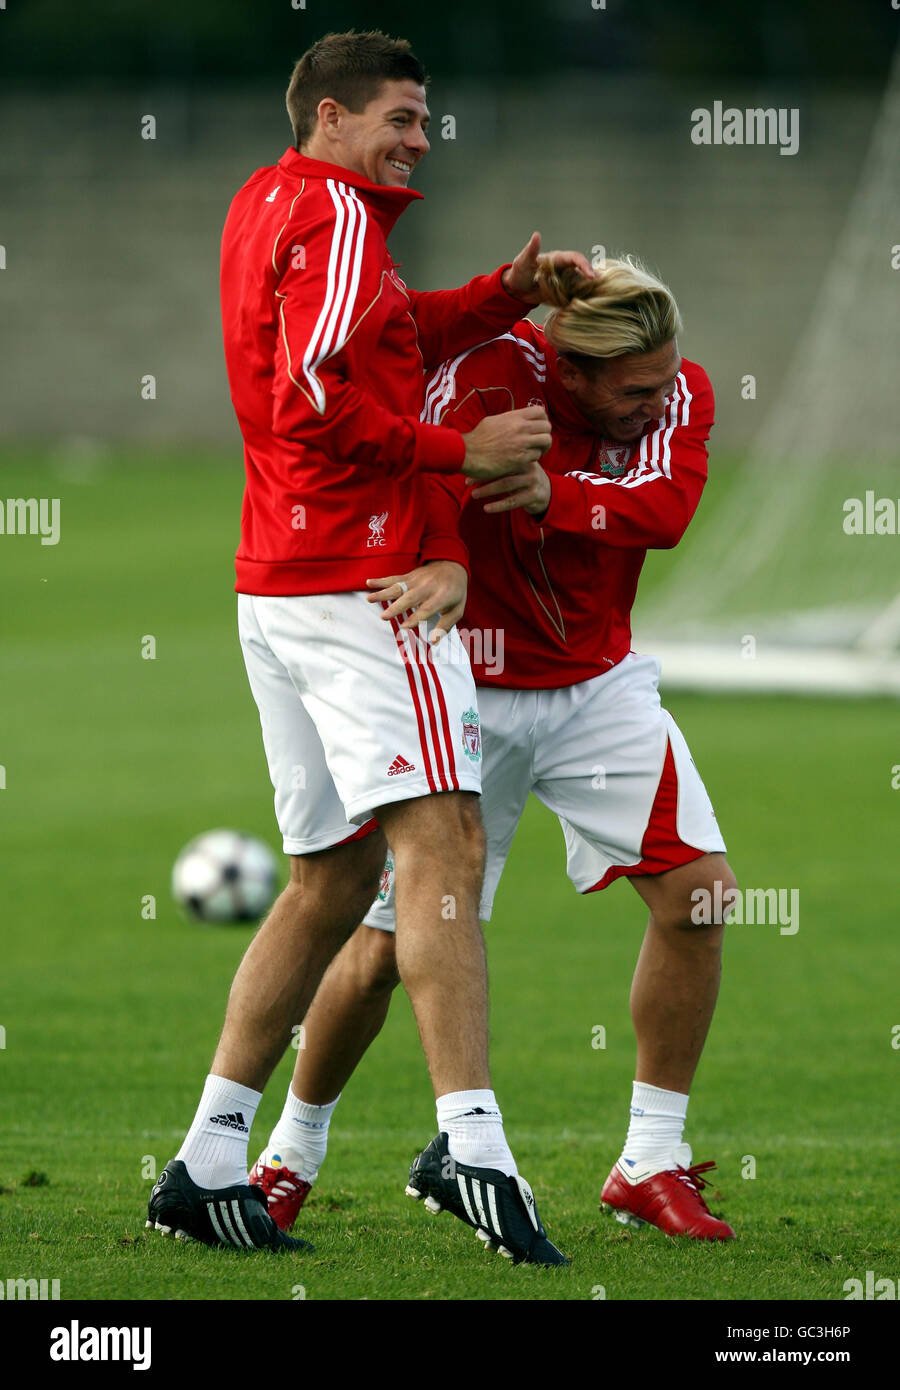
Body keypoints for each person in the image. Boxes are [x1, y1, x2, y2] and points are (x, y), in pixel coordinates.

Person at [146, 29, 592, 1264]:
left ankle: (206, 1156)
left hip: (279, 582)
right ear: (330, 116)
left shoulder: (270, 204)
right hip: (364, 582)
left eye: (426, 118)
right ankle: (471, 1140)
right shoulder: (339, 214)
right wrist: (465, 457)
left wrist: (498, 299)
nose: (419, 138)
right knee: (441, 833)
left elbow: (370, 352)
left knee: (330, 878)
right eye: (400, 115)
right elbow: (318, 398)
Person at [249, 255, 740, 1243]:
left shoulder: (678, 390)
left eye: (663, 382)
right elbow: (420, 484)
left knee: (702, 894)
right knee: (387, 948)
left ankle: (650, 1157)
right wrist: (448, 546)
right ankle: (287, 1157)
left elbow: (671, 510)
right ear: (569, 369)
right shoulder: (480, 382)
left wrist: (557, 495)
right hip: (466, 690)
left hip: (598, 686)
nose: (658, 403)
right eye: (633, 391)